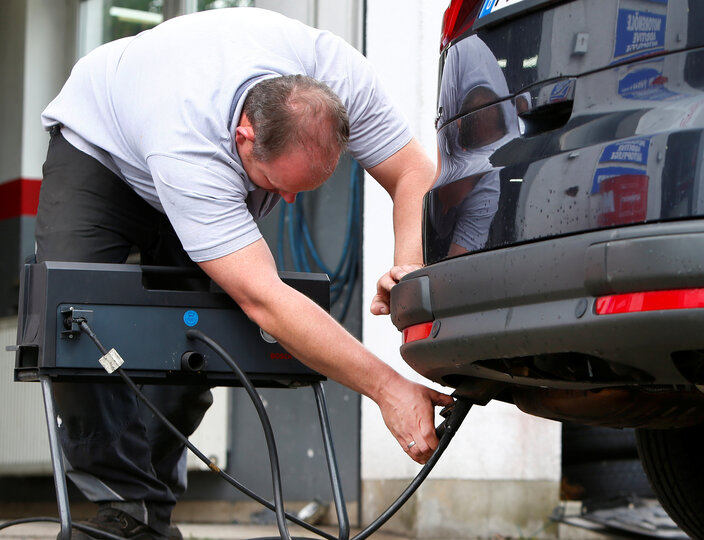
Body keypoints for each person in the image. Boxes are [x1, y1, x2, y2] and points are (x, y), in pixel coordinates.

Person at [36, 7, 452, 540]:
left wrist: (409, 268)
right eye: (276, 186)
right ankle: (124, 505)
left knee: (196, 345)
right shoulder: (189, 142)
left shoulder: (341, 77)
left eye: (301, 189)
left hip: (183, 134)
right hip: (102, 145)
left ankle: (146, 516)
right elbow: (264, 301)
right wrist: (388, 388)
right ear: (244, 135)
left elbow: (413, 171)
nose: (287, 201)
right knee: (73, 321)